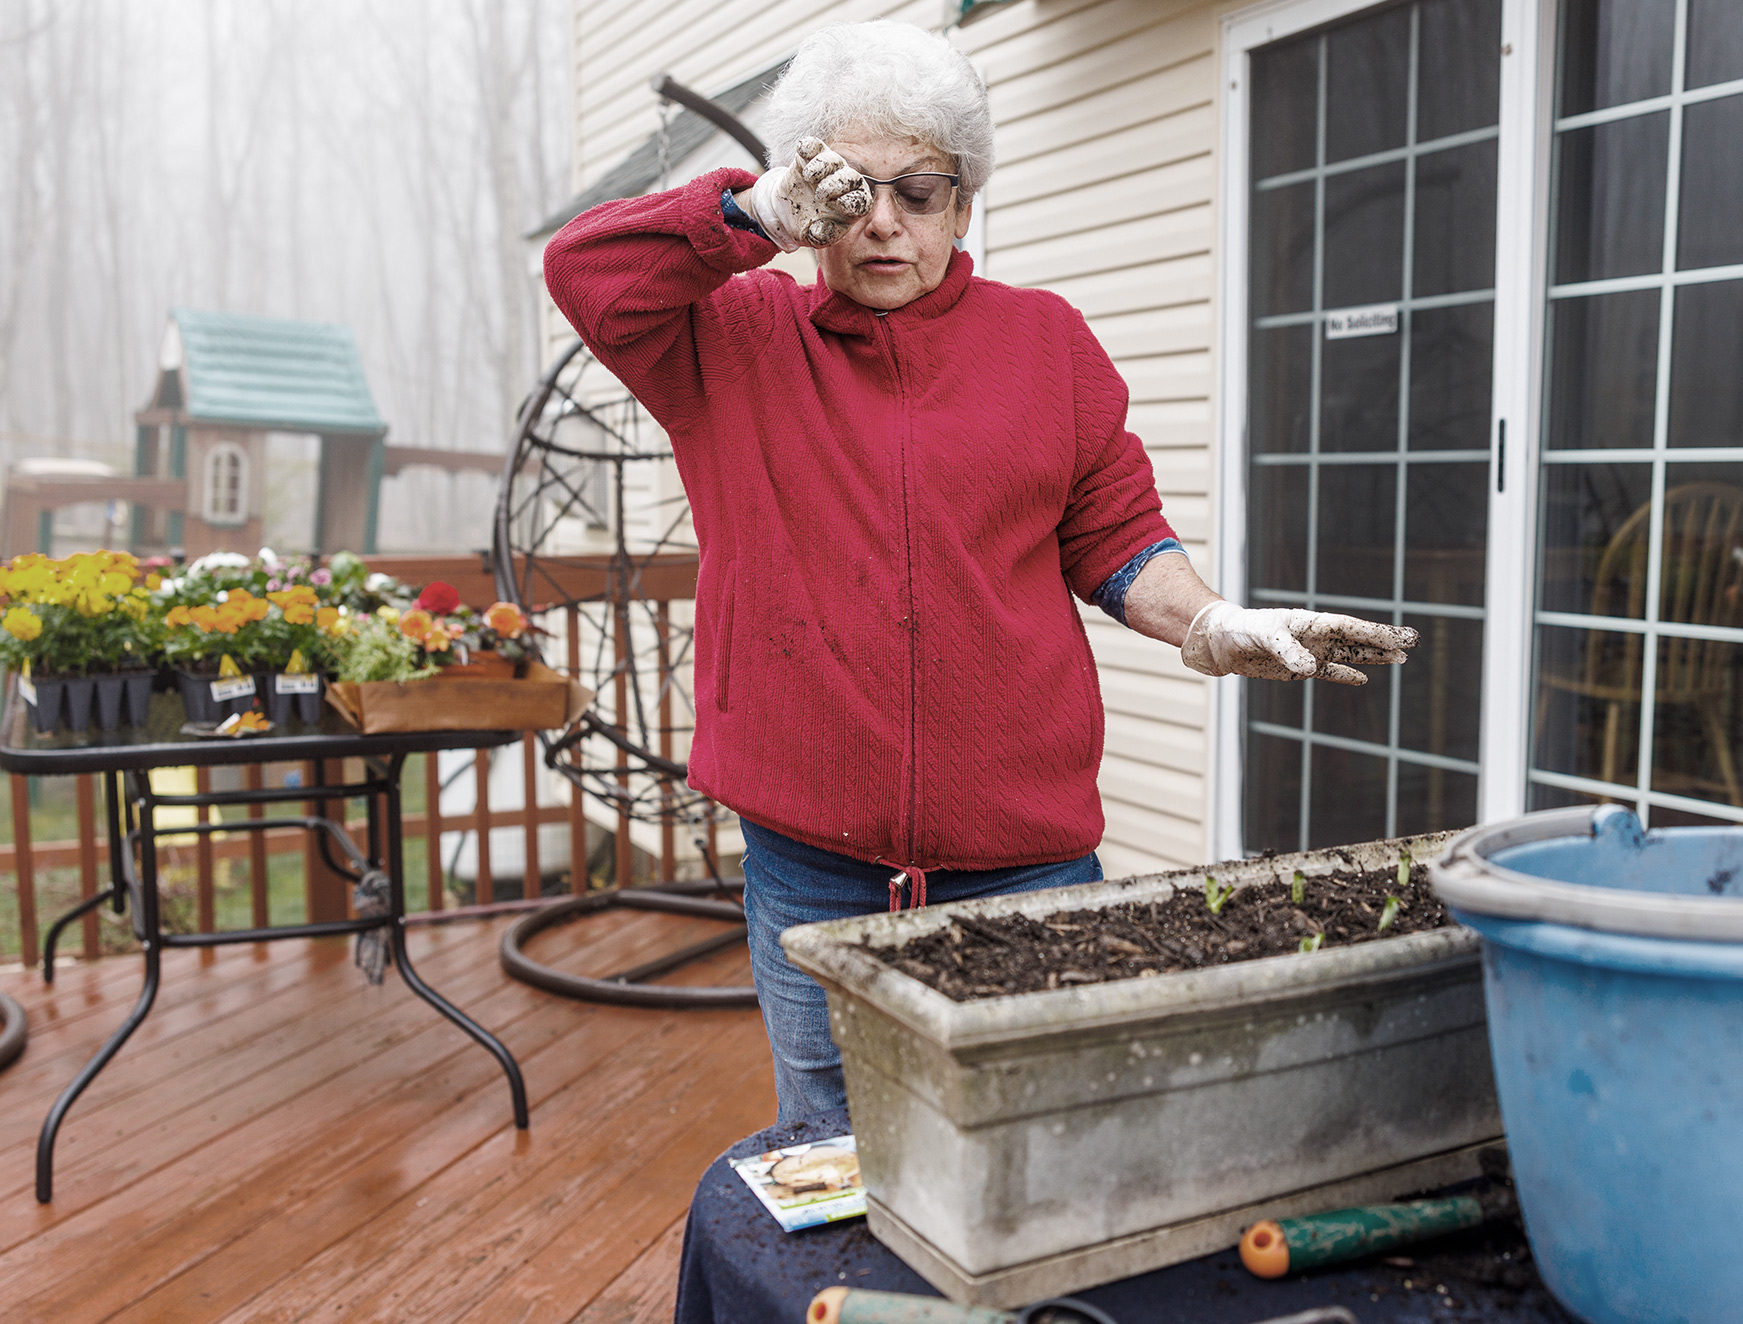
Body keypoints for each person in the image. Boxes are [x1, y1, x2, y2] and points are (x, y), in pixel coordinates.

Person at [544, 20, 1416, 1122]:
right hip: (813, 865)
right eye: (850, 191)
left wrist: (1208, 620)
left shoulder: (1048, 346)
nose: (885, 222)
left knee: (1045, 1126)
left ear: (966, 203)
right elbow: (584, 272)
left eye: (921, 190)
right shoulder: (734, 337)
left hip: (1027, 863)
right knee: (833, 1137)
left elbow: (1116, 535)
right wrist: (750, 215)